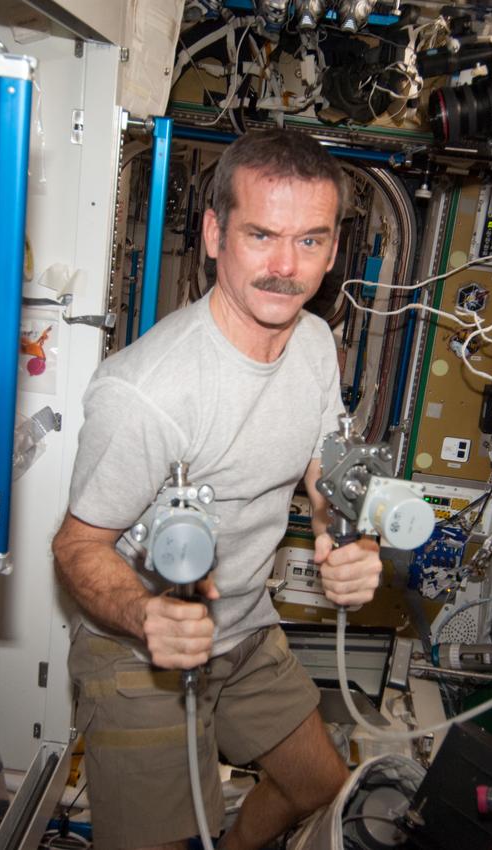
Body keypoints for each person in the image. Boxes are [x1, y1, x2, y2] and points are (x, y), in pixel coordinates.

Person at [51, 128, 385, 850]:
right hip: (137, 648)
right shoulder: (149, 390)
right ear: (213, 233)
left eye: (310, 240)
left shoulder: (318, 344)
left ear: (332, 251)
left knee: (323, 790)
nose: (285, 267)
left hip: (243, 625)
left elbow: (323, 470)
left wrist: (345, 533)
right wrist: (146, 617)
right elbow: (76, 546)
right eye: (261, 234)